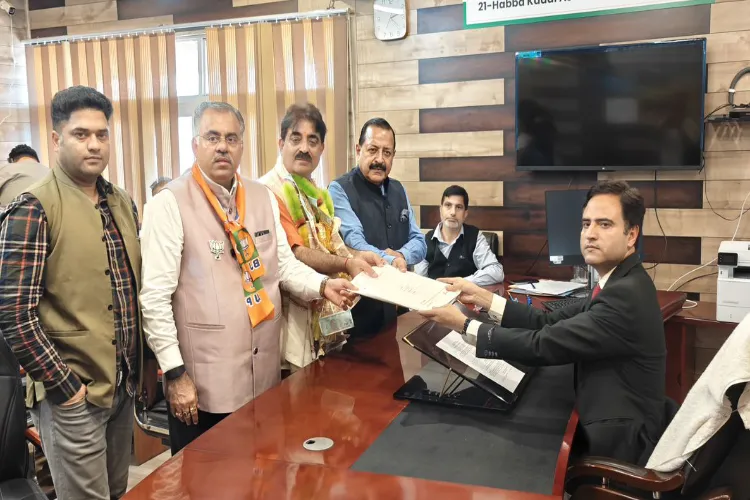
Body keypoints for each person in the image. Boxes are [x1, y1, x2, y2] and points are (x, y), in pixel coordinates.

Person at [139, 101, 357, 455]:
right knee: (206, 483)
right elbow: (155, 298)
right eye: (212, 137)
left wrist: (322, 285)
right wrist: (175, 374)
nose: (222, 146)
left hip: (263, 375)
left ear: (242, 145)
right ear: (195, 145)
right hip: (204, 384)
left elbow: (282, 265)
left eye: (231, 138)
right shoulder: (169, 204)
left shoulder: (261, 196)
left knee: (261, 477)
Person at [419, 180, 667, 465]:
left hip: (619, 442)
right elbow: (547, 319)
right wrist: (484, 298)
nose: (590, 234)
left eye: (605, 224)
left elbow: (543, 344)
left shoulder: (625, 295)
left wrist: (464, 325)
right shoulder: (619, 281)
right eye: (586, 224)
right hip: (609, 414)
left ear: (631, 234)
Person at [0, 86, 152, 499]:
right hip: (73, 393)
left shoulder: (121, 202)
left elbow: (131, 292)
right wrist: (63, 386)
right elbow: (14, 313)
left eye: (102, 135)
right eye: (81, 134)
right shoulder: (34, 208)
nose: (94, 144)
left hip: (121, 386)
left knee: (118, 490)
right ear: (56, 139)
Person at [260, 103, 384, 369]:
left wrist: (359, 256)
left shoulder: (314, 191)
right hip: (291, 322)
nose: (304, 148)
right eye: (296, 138)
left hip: (322, 317)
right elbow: (296, 254)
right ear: (281, 143)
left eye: (312, 141)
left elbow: (331, 246)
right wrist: (347, 264)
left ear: (321, 150)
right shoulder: (269, 191)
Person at [329, 118, 426, 336]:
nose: (379, 160)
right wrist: (393, 261)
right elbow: (356, 242)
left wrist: (401, 253)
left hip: (396, 311)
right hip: (356, 310)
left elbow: (420, 242)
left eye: (387, 153)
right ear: (358, 150)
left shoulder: (399, 189)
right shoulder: (339, 189)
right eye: (372, 150)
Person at [414, 185, 503, 285]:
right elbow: (420, 280)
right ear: (441, 210)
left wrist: (464, 282)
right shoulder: (426, 240)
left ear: (465, 214)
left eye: (459, 207)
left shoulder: (475, 237)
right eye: (448, 205)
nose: (453, 213)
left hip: (465, 298)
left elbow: (497, 271)